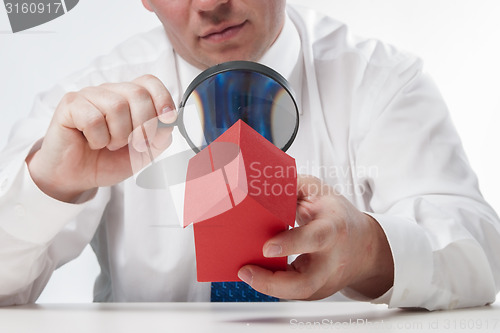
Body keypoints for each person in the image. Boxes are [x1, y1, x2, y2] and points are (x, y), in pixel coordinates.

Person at [0, 0, 499, 309]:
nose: (212, 2)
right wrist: (49, 187)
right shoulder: (89, 102)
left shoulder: (382, 79)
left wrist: (372, 250)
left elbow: (481, 251)